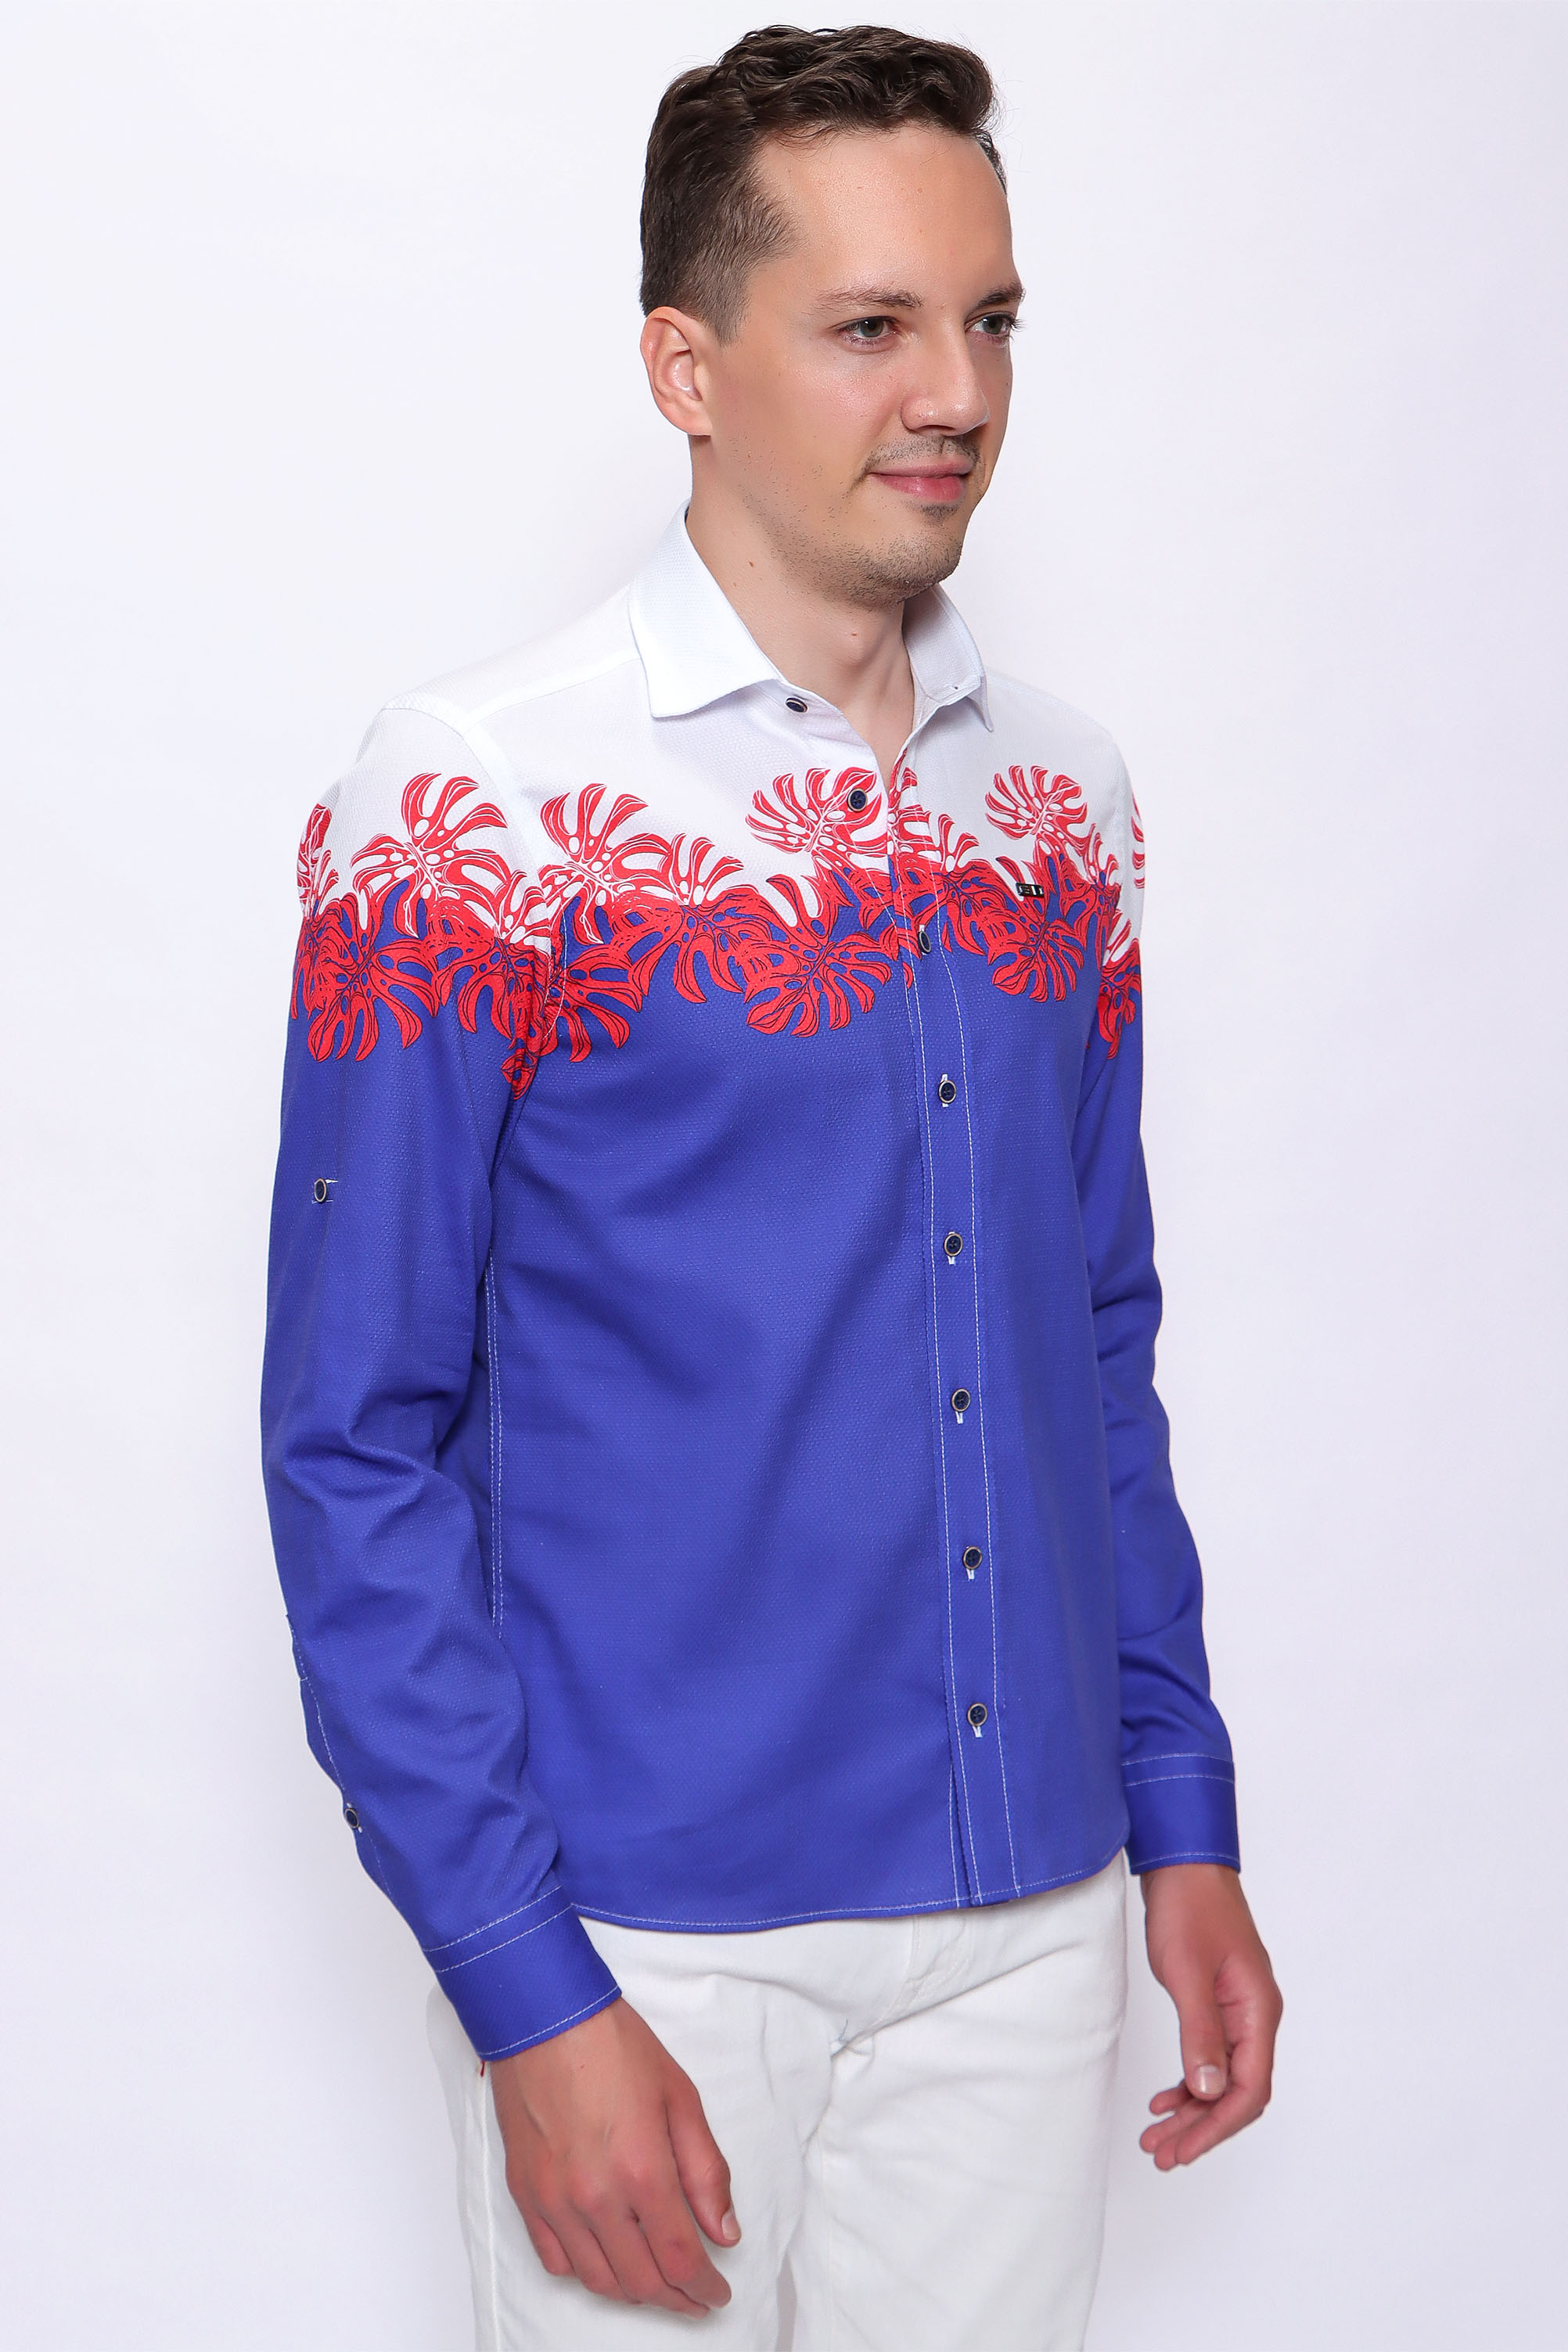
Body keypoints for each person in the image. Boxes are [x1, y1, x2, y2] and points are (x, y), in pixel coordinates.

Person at [261, 23, 1282, 2350]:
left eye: (989, 319)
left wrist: (1180, 1813)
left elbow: (1092, 1344)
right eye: (871, 325)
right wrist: (525, 1985)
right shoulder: (474, 804)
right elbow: (354, 1438)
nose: (956, 395)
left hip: (1032, 1922)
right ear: (685, 365)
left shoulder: (1067, 808)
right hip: (650, 1941)